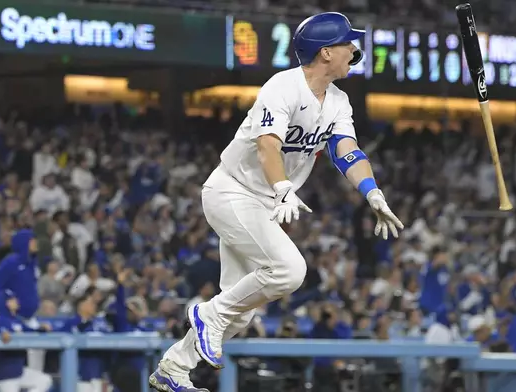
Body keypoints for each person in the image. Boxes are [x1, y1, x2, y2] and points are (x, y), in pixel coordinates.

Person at [149, 12, 403, 392]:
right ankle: (206, 315)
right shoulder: (282, 87)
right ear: (325, 52)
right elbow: (268, 143)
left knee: (240, 315)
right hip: (233, 191)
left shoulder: (337, 100)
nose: (354, 49)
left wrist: (372, 192)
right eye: (347, 43)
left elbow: (346, 150)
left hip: (263, 202)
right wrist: (284, 186)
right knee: (289, 270)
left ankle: (173, 367)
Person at [0, 229, 45, 370]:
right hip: (15, 319)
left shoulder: (32, 263)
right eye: (32, 240)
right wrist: (7, 299)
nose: (35, 243)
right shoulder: (10, 262)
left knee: (37, 359)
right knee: (16, 361)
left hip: (31, 318)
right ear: (24, 243)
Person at [0, 291, 53, 392]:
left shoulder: (17, 320)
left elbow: (30, 331)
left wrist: (42, 329)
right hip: (5, 373)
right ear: (5, 302)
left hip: (19, 370)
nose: (16, 301)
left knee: (44, 380)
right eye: (12, 299)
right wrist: (1, 331)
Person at [59, 294, 109, 392]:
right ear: (81, 306)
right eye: (91, 303)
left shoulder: (100, 323)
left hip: (99, 372)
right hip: (79, 374)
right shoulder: (71, 323)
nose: (94, 306)